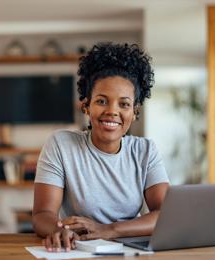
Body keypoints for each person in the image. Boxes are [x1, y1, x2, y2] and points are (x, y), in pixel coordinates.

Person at [32, 42, 169, 252]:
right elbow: (42, 214)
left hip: (131, 249)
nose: (112, 111)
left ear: (135, 112)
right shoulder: (61, 145)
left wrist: (109, 230)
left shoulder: (145, 151)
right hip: (78, 249)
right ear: (86, 106)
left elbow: (165, 214)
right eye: (102, 101)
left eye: (123, 104)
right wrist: (57, 230)